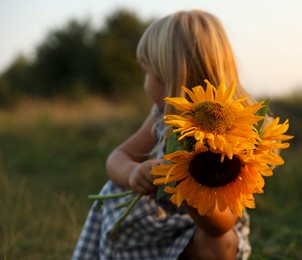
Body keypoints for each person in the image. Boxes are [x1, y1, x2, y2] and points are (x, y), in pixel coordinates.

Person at [73, 10, 256, 259]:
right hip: (157, 228)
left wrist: (189, 184)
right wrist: (133, 173)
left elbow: (221, 224)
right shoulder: (161, 116)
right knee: (113, 190)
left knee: (219, 241)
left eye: (148, 72)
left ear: (171, 78)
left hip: (201, 233)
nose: (145, 81)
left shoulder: (237, 133)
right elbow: (118, 157)